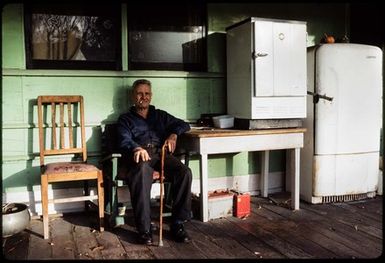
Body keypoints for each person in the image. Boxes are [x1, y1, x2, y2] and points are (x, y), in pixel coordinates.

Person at [116, 79, 192, 245]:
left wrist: (174, 134)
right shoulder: (125, 119)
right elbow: (124, 139)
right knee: (142, 173)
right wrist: (136, 148)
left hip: (160, 154)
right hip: (139, 157)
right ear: (133, 96)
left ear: (151, 96)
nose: (143, 97)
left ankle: (177, 224)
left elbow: (183, 124)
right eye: (139, 93)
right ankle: (144, 230)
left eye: (147, 93)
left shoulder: (160, 115)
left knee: (184, 172)